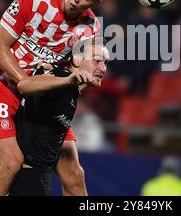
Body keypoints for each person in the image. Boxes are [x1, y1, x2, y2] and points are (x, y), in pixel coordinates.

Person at [0, 0, 113, 196]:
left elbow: (79, 66)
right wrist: (27, 83)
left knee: (74, 175)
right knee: (11, 163)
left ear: (95, 3)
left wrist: (93, 74)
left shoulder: (91, 28)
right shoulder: (32, 0)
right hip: (0, 87)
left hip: (43, 98)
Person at [9, 37, 109, 195]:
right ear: (76, 59)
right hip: (29, 181)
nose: (103, 68)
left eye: (106, 62)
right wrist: (66, 80)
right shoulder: (61, 78)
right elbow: (24, 85)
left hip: (40, 176)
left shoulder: (71, 89)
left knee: (75, 176)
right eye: (97, 60)